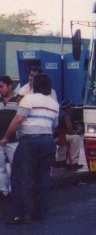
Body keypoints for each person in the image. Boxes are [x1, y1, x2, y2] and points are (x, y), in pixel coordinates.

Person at [0, 74, 59, 224]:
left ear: (34, 85)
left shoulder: (28, 99)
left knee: (22, 178)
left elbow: (19, 119)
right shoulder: (54, 103)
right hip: (47, 141)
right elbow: (54, 125)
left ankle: (21, 214)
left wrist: (6, 136)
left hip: (30, 142)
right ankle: (39, 212)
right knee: (43, 178)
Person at [0, 76, 19, 198]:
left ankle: (14, 191)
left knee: (15, 167)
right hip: (0, 140)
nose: (0, 89)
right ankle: (3, 190)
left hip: (14, 140)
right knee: (0, 167)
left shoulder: (19, 99)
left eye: (1, 86)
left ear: (10, 85)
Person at [54, 100, 84, 170]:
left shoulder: (58, 113)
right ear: (68, 108)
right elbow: (70, 131)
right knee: (76, 138)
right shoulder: (67, 116)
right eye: (72, 107)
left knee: (66, 138)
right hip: (61, 137)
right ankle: (73, 162)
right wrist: (78, 132)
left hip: (55, 137)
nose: (73, 109)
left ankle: (60, 160)